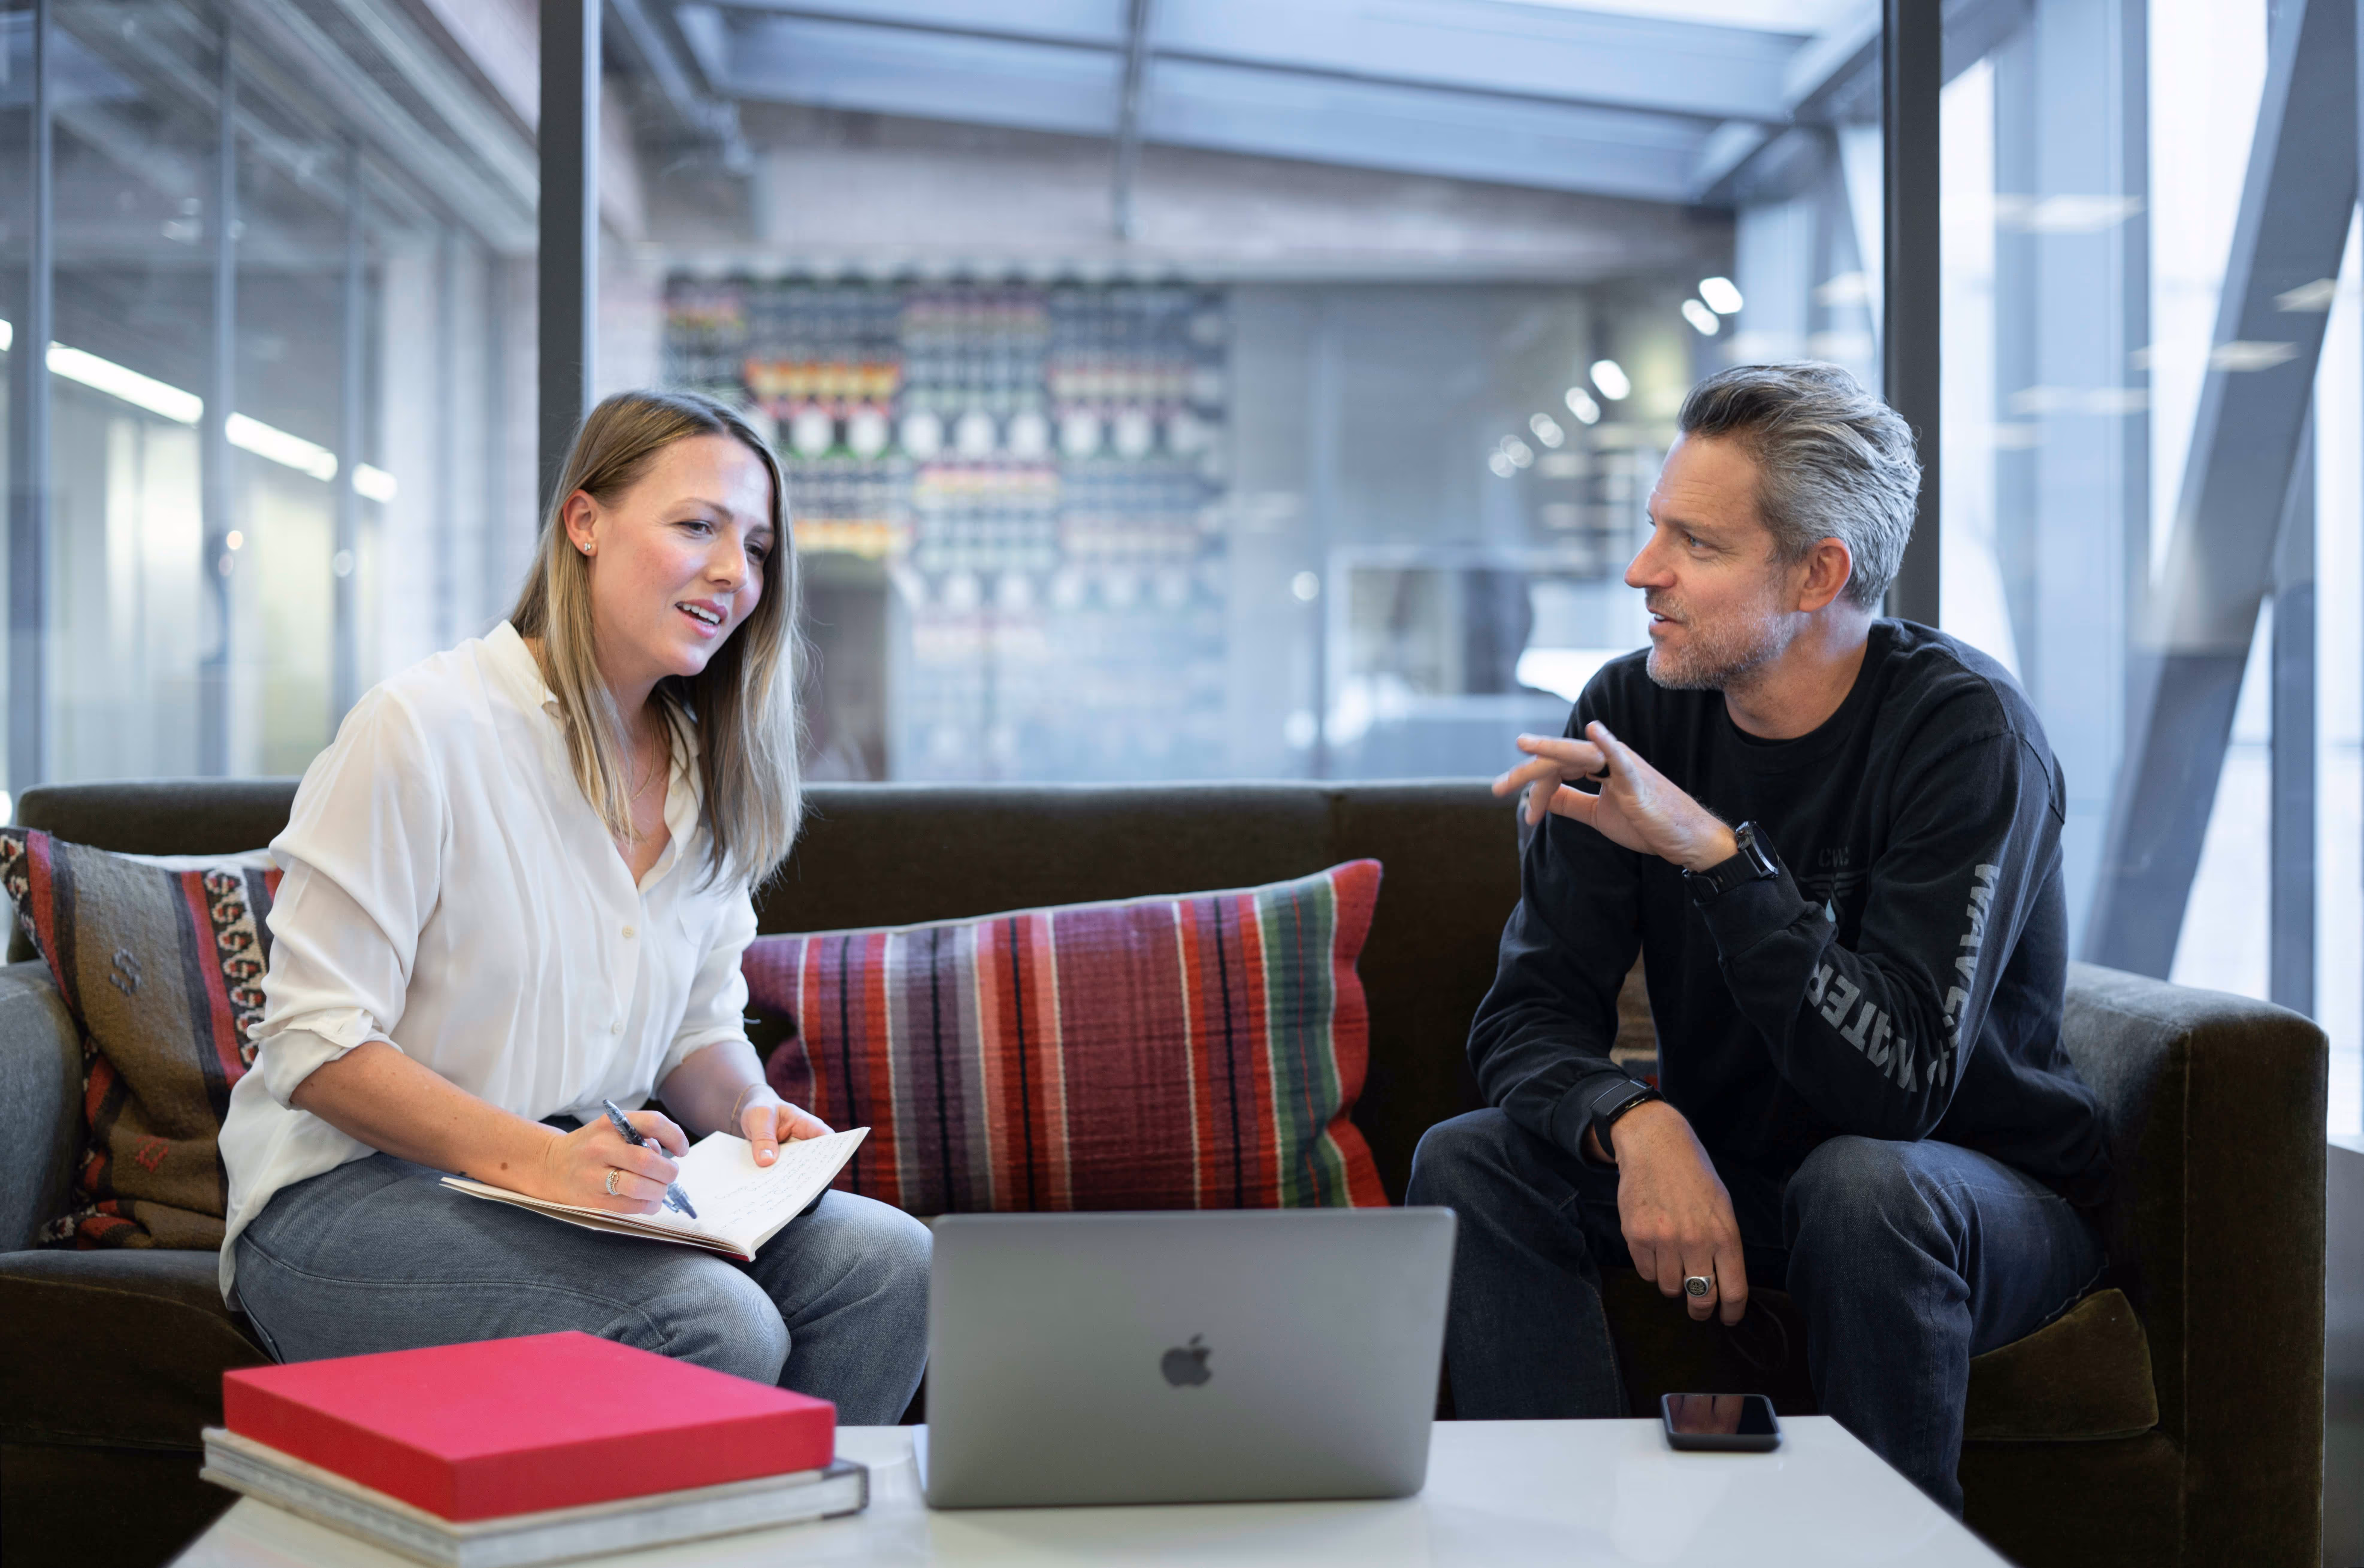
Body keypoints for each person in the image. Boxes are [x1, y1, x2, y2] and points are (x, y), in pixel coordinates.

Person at [1405, 363, 2108, 1513]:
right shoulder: (1630, 711)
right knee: (1468, 1158)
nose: (1644, 573)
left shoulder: (1964, 733)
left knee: (1861, 1184)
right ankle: (1558, 1542)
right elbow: (1525, 1019)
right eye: (1653, 530)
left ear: (1818, 571)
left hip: (1973, 1195)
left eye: (1697, 543)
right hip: (1750, 1174)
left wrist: (1716, 855)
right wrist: (1634, 1118)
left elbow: (1899, 1091)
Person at [217, 390, 930, 1422]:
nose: (737, 573)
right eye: (698, 527)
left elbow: (696, 1026)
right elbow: (314, 1044)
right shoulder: (421, 729)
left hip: (582, 1186)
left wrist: (746, 1109)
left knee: (891, 1264)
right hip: (353, 1195)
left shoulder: (701, 767)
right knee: (715, 1321)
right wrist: (550, 1161)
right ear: (584, 523)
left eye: (760, 547)